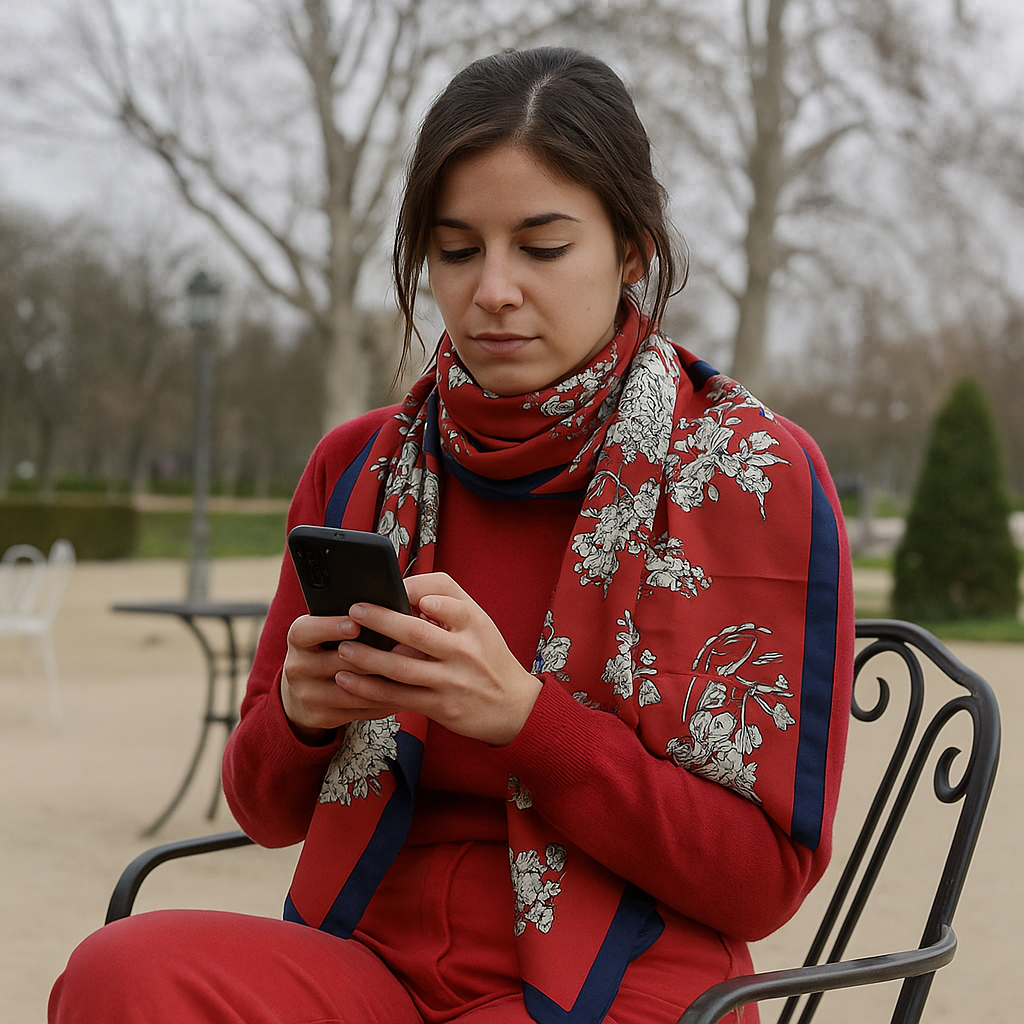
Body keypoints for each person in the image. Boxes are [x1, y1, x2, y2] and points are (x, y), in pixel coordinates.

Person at [50, 46, 854, 1024]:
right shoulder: (358, 467)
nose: (493, 290)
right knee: (120, 973)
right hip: (373, 969)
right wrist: (302, 713)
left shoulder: (748, 475)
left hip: (624, 987)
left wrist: (525, 718)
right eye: (457, 249)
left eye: (542, 247)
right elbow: (263, 811)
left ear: (634, 248)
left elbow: (760, 879)